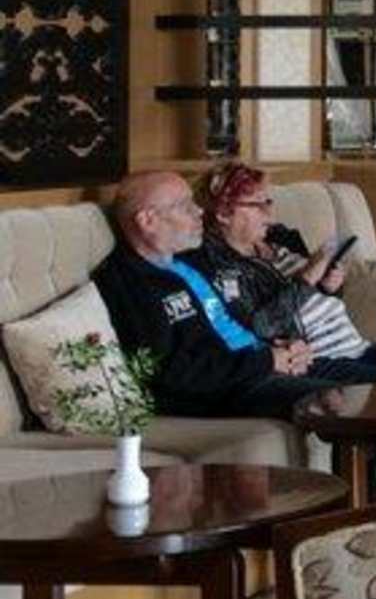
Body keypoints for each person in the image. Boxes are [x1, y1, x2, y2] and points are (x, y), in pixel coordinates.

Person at [91, 172, 356, 420]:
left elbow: (238, 324)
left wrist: (284, 348)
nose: (199, 211)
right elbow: (167, 373)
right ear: (148, 221)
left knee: (364, 387)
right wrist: (266, 361)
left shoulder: (185, 265)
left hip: (253, 366)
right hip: (222, 392)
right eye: (185, 206)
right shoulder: (129, 284)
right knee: (332, 402)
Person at [192, 164, 376, 382]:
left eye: (268, 202)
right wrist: (308, 277)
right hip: (323, 359)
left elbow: (310, 300)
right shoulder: (220, 267)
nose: (269, 213)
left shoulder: (280, 239)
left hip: (357, 346)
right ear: (223, 214)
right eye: (257, 205)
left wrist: (328, 287)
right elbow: (263, 327)